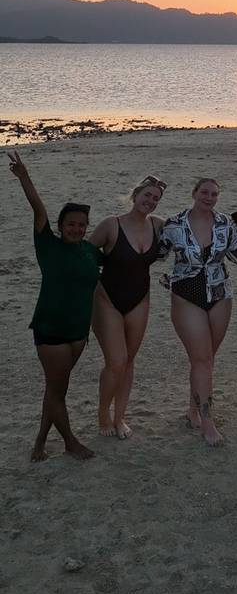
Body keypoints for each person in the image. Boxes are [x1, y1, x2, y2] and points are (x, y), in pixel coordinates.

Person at [8, 150, 101, 462]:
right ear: (61, 225)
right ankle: (70, 442)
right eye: (71, 224)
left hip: (78, 331)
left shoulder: (90, 252)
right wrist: (24, 176)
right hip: (51, 329)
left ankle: (39, 443)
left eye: (82, 224)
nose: (77, 228)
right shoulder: (47, 244)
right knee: (57, 390)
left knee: (55, 390)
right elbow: (37, 208)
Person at [158, 177, 237, 446]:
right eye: (205, 192)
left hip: (220, 294)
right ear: (194, 193)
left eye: (214, 194)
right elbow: (153, 254)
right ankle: (208, 423)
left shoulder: (225, 223)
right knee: (202, 359)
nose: (209, 197)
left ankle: (193, 409)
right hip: (186, 295)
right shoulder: (173, 224)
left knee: (206, 359)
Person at [88, 175, 166, 439]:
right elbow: (83, 255)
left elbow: (189, 235)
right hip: (106, 298)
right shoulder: (111, 225)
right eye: (147, 195)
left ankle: (120, 417)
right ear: (136, 195)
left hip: (140, 299)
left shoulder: (158, 226)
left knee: (129, 362)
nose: (151, 201)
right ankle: (103, 414)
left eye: (156, 198)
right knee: (116, 361)